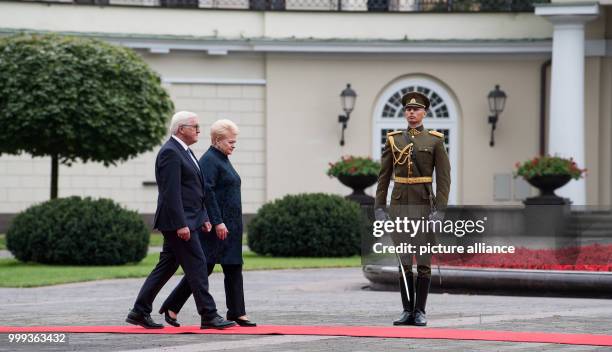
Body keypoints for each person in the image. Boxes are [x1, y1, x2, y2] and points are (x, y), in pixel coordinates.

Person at [126, 111, 236, 330]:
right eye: (194, 126)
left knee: (166, 267)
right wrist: (180, 224)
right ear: (180, 129)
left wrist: (203, 216)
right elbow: (170, 193)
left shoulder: (185, 151)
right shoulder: (170, 153)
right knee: (198, 265)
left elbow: (195, 189)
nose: (198, 131)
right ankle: (209, 315)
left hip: (191, 219)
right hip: (178, 223)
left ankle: (139, 311)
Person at [160, 119, 256, 327]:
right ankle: (172, 306)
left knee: (233, 267)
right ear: (218, 140)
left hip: (230, 227)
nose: (233, 145)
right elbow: (207, 192)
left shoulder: (222, 158)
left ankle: (237, 312)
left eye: (234, 142)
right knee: (203, 269)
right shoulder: (210, 160)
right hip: (217, 227)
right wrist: (217, 221)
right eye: (230, 142)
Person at [374, 92, 451, 327]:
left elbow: (444, 178)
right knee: (404, 259)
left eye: (416, 110)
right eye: (408, 109)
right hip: (399, 206)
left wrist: (440, 209)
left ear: (424, 113)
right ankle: (407, 310)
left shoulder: (435, 140)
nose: (411, 113)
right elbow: (384, 177)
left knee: (424, 260)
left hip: (424, 206)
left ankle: (420, 311)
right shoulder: (394, 140)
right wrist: (379, 206)